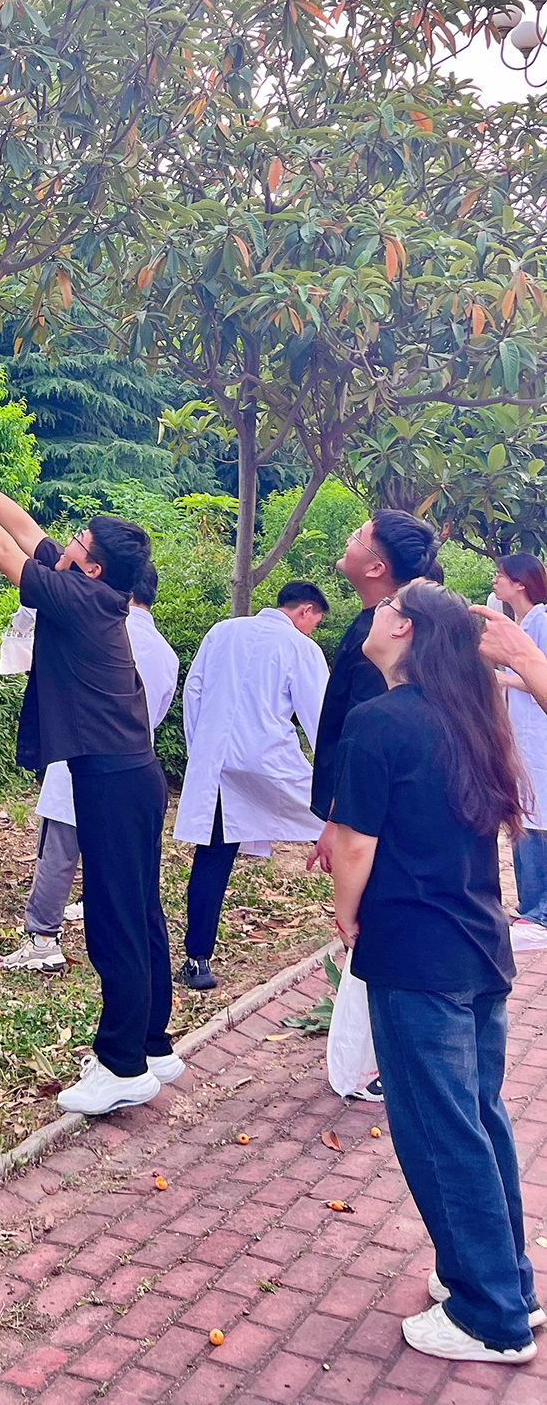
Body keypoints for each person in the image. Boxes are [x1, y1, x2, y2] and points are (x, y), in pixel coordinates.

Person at [331, 580, 537, 1365]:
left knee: (442, 1133)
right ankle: (503, 1283)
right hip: (477, 945)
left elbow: (355, 843)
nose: (374, 616)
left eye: (387, 610)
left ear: (407, 631)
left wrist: (347, 916)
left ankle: (491, 1317)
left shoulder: (380, 721)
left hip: (416, 954)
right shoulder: (471, 715)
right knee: (478, 1120)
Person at [0, 450, 180, 1115]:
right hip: (130, 775)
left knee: (113, 920)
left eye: (79, 539)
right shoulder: (91, 586)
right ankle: (152, 1045)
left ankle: (122, 1065)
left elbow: (2, 552)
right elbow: (25, 530)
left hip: (113, 781)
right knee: (137, 909)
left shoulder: (81, 600)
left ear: (94, 566)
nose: (67, 540)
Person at [2, 562, 179, 975]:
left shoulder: (95, 626)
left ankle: (42, 939)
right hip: (135, 768)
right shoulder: (167, 654)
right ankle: (117, 940)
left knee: (59, 851)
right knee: (121, 863)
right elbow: (156, 714)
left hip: (82, 757)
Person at [173, 581, 330, 991]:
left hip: (218, 763)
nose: (312, 629)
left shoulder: (222, 632)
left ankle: (197, 960)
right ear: (306, 610)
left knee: (212, 858)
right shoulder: (301, 648)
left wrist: (201, 751)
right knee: (341, 829)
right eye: (314, 621)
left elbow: (194, 692)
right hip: (269, 762)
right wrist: (336, 778)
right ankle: (366, 924)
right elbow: (320, 717)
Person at [308, 509, 443, 873]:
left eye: (358, 535)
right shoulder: (376, 622)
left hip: (376, 822)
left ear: (376, 568)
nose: (348, 538)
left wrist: (338, 820)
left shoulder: (383, 640)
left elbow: (368, 738)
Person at [491, 553, 547, 946]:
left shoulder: (541, 621)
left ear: (520, 583)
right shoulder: (519, 623)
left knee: (538, 819)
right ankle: (530, 903)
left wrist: (504, 679)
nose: (495, 581)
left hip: (538, 736)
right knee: (524, 815)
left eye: (501, 575)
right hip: (523, 737)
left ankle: (540, 911)